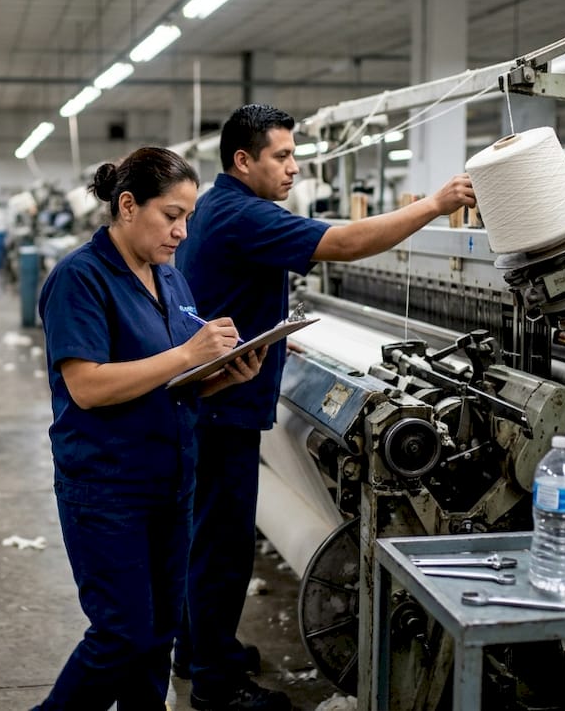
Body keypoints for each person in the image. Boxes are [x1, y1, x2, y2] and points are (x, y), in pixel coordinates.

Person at [174, 104, 476, 711]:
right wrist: (434, 205)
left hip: (213, 402)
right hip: (221, 408)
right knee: (223, 546)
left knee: (205, 537)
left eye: (294, 154)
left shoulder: (215, 203)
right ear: (243, 161)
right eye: (281, 156)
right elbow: (344, 243)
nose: (294, 167)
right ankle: (216, 684)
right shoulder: (243, 214)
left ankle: (202, 650)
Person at [34, 146, 266, 711]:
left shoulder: (171, 280)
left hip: (172, 481)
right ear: (129, 205)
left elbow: (168, 384)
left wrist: (222, 376)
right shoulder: (80, 279)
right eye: (171, 215)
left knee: (160, 633)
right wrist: (189, 354)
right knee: (120, 636)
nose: (182, 232)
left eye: (188, 217)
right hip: (108, 486)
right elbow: (87, 385)